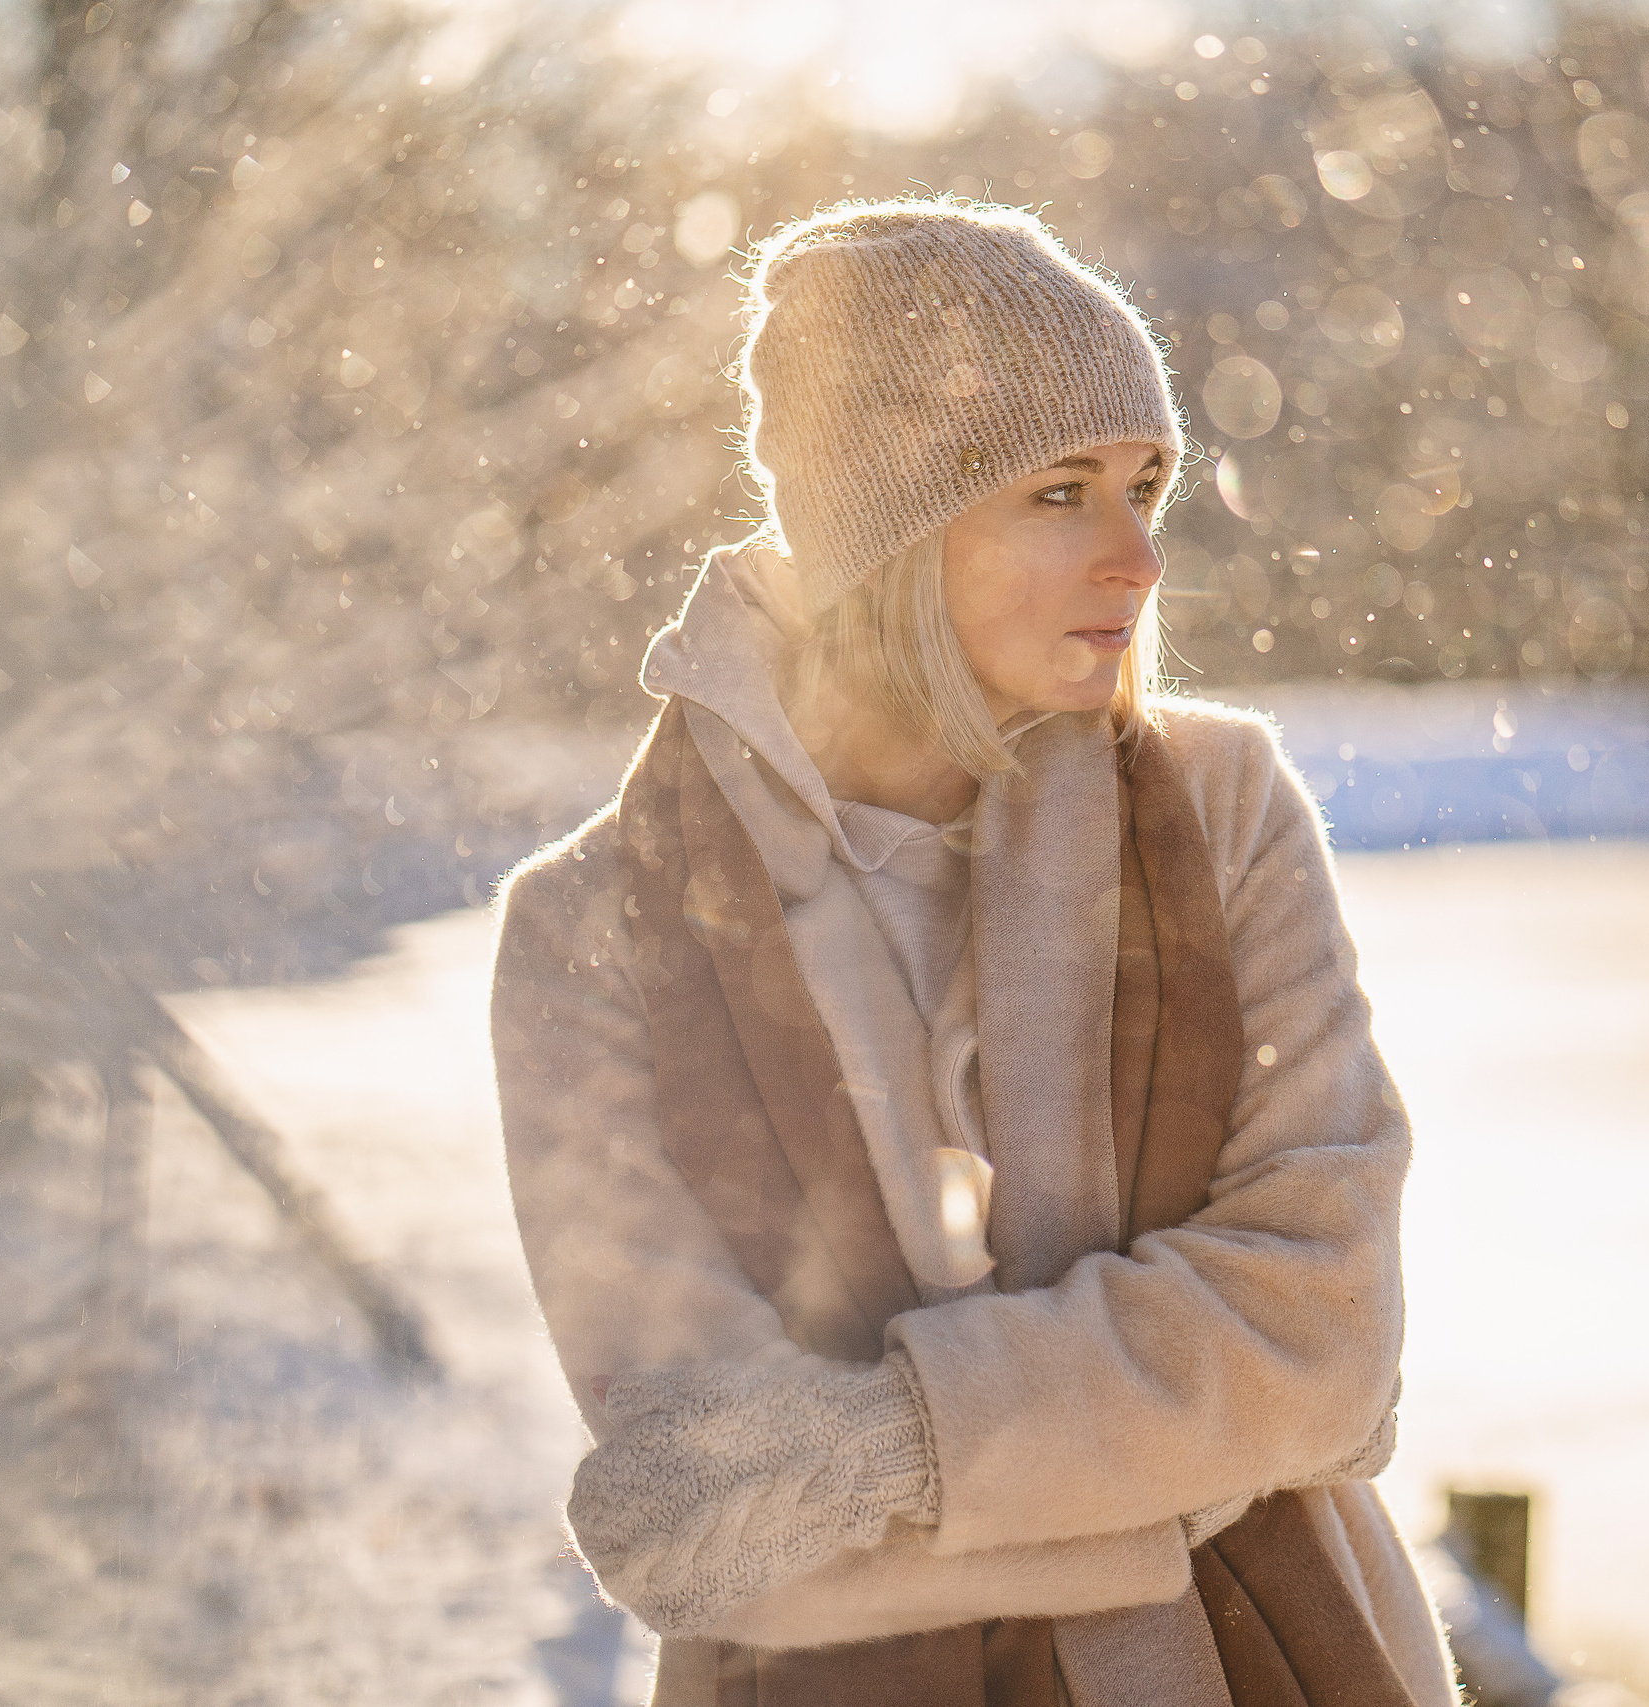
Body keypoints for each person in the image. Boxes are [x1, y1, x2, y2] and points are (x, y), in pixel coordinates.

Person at [489, 199, 1455, 1707]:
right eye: (1060, 493)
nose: (1136, 560)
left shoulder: (1221, 814)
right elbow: (705, 1510)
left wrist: (891, 1448)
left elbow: (1325, 1329)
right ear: (883, 532)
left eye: (1148, 487)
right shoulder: (596, 930)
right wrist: (1179, 1459)